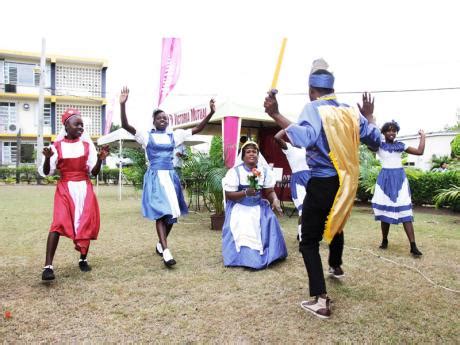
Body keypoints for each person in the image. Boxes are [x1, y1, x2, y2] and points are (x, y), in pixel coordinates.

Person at [263, 59, 381, 319]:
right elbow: (376, 140)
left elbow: (304, 138)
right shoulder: (351, 110)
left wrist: (274, 114)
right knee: (334, 223)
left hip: (322, 180)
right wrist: (370, 116)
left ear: (311, 89)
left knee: (308, 240)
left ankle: (320, 299)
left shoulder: (314, 108)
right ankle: (336, 266)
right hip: (346, 183)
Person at [119, 87, 215, 267]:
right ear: (154, 121)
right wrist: (122, 105)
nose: (163, 119)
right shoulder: (146, 136)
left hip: (171, 177)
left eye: (165, 117)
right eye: (159, 117)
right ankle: (166, 251)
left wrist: (210, 113)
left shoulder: (175, 135)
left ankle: (159, 245)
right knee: (162, 213)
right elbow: (126, 126)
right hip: (155, 178)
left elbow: (198, 128)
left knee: (172, 215)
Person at [40, 108, 109, 281]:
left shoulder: (87, 145)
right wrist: (48, 158)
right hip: (65, 188)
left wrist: (100, 159)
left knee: (84, 222)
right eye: (76, 124)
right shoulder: (56, 147)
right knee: (58, 223)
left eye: (82, 125)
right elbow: (47, 172)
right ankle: (48, 266)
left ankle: (83, 258)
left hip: (84, 188)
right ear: (66, 126)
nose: (81, 127)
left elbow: (94, 172)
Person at [222, 141, 287, 269]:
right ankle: (246, 258)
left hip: (258, 205)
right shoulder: (236, 172)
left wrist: (274, 199)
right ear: (243, 156)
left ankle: (272, 254)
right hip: (240, 206)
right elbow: (229, 194)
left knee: (270, 218)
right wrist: (245, 192)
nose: (252, 154)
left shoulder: (264, 171)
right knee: (245, 223)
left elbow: (269, 191)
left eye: (254, 151)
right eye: (248, 152)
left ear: (258, 155)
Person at [371, 120, 425, 256]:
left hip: (400, 179)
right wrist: (372, 123)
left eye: (394, 130)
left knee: (406, 212)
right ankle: (384, 240)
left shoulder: (401, 145)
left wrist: (423, 136)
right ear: (383, 133)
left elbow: (419, 152)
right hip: (385, 180)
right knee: (385, 212)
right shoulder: (379, 145)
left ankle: (413, 246)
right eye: (388, 130)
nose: (391, 133)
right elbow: (370, 142)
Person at [274, 129, 311, 240]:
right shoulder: (289, 148)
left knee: (313, 210)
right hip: (299, 180)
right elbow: (277, 138)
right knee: (303, 210)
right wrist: (288, 127)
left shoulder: (308, 148)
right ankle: (303, 239)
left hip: (312, 179)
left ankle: (304, 233)